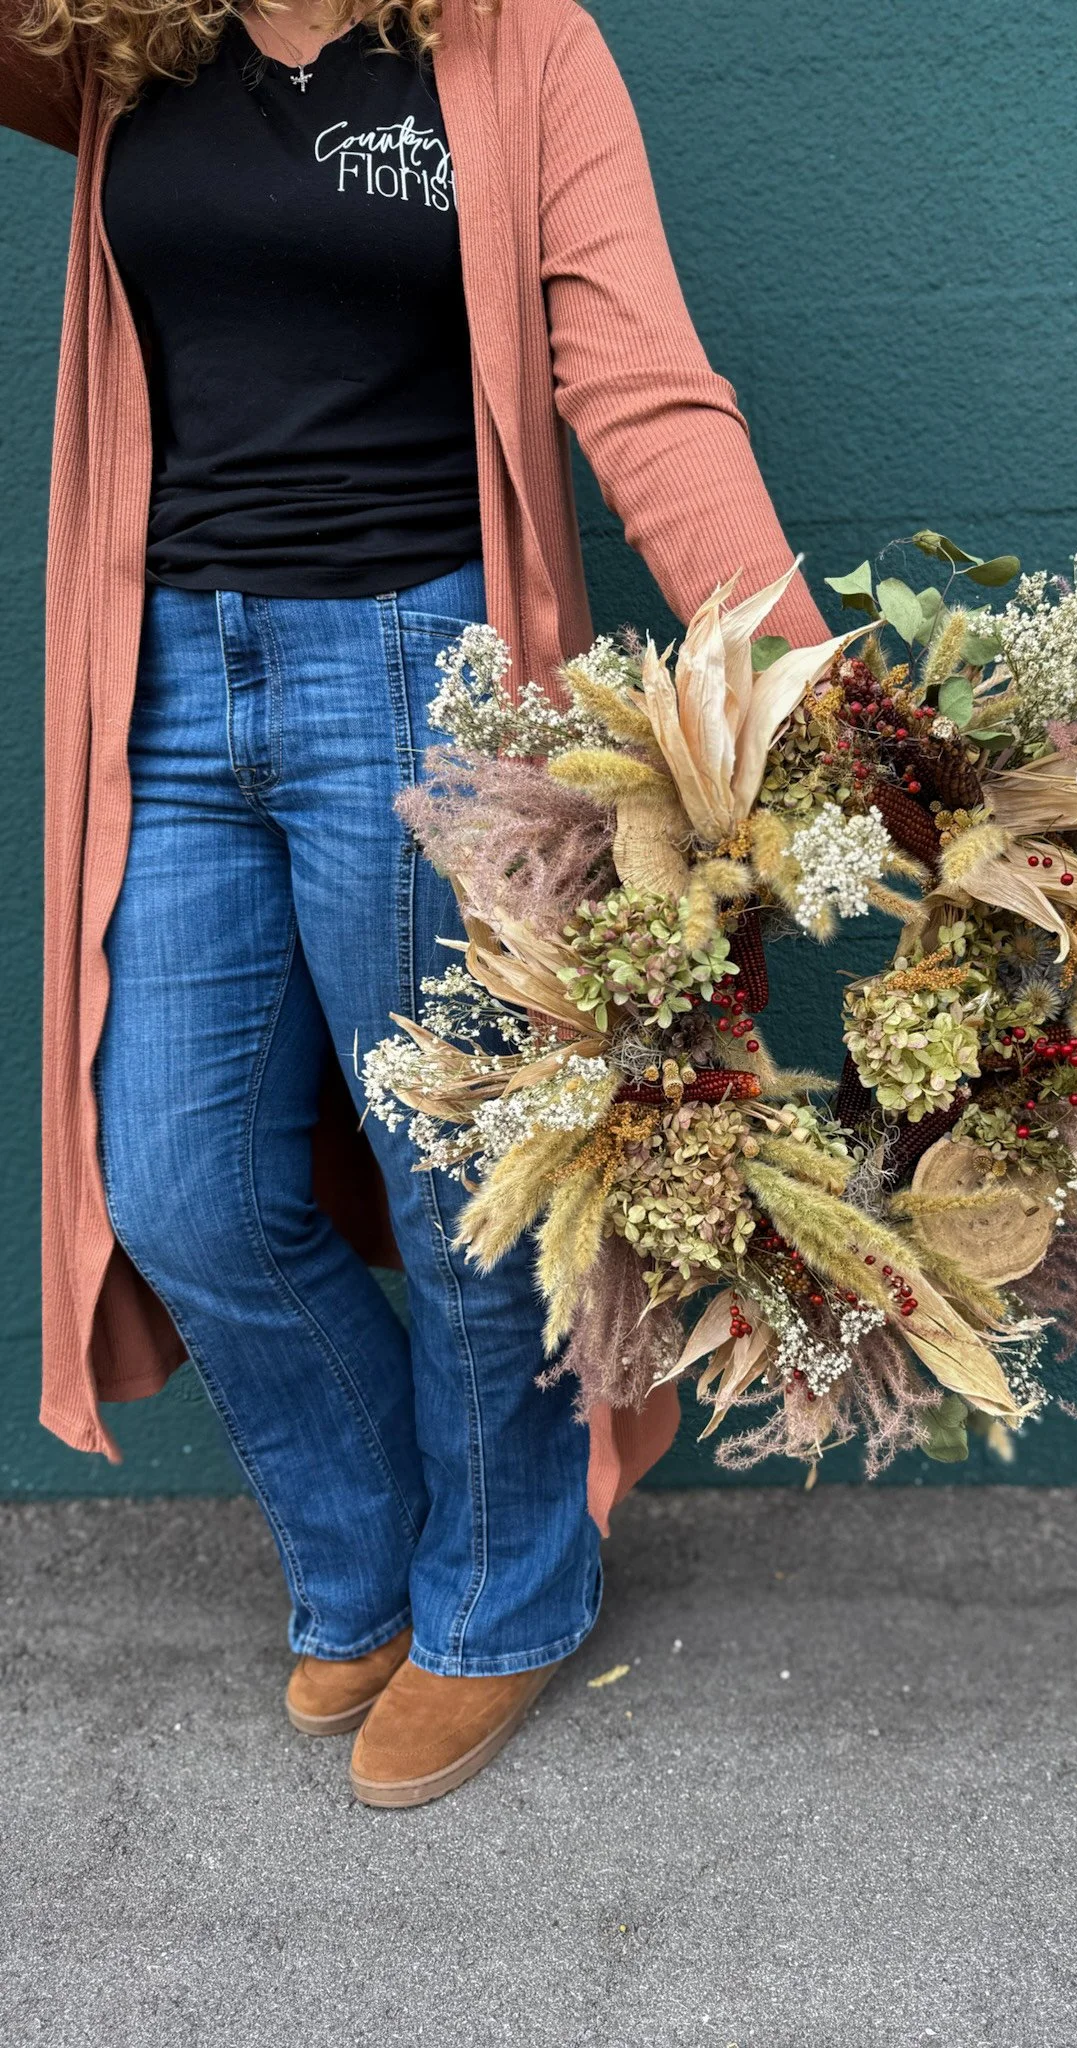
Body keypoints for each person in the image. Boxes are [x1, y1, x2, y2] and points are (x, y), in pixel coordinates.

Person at [0, 0, 825, 1808]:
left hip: (423, 663)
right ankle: (371, 1552)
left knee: (464, 1173)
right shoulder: (113, 40)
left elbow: (640, 382)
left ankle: (503, 1596)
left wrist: (808, 695)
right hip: (168, 675)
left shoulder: (520, 47)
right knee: (183, 1184)